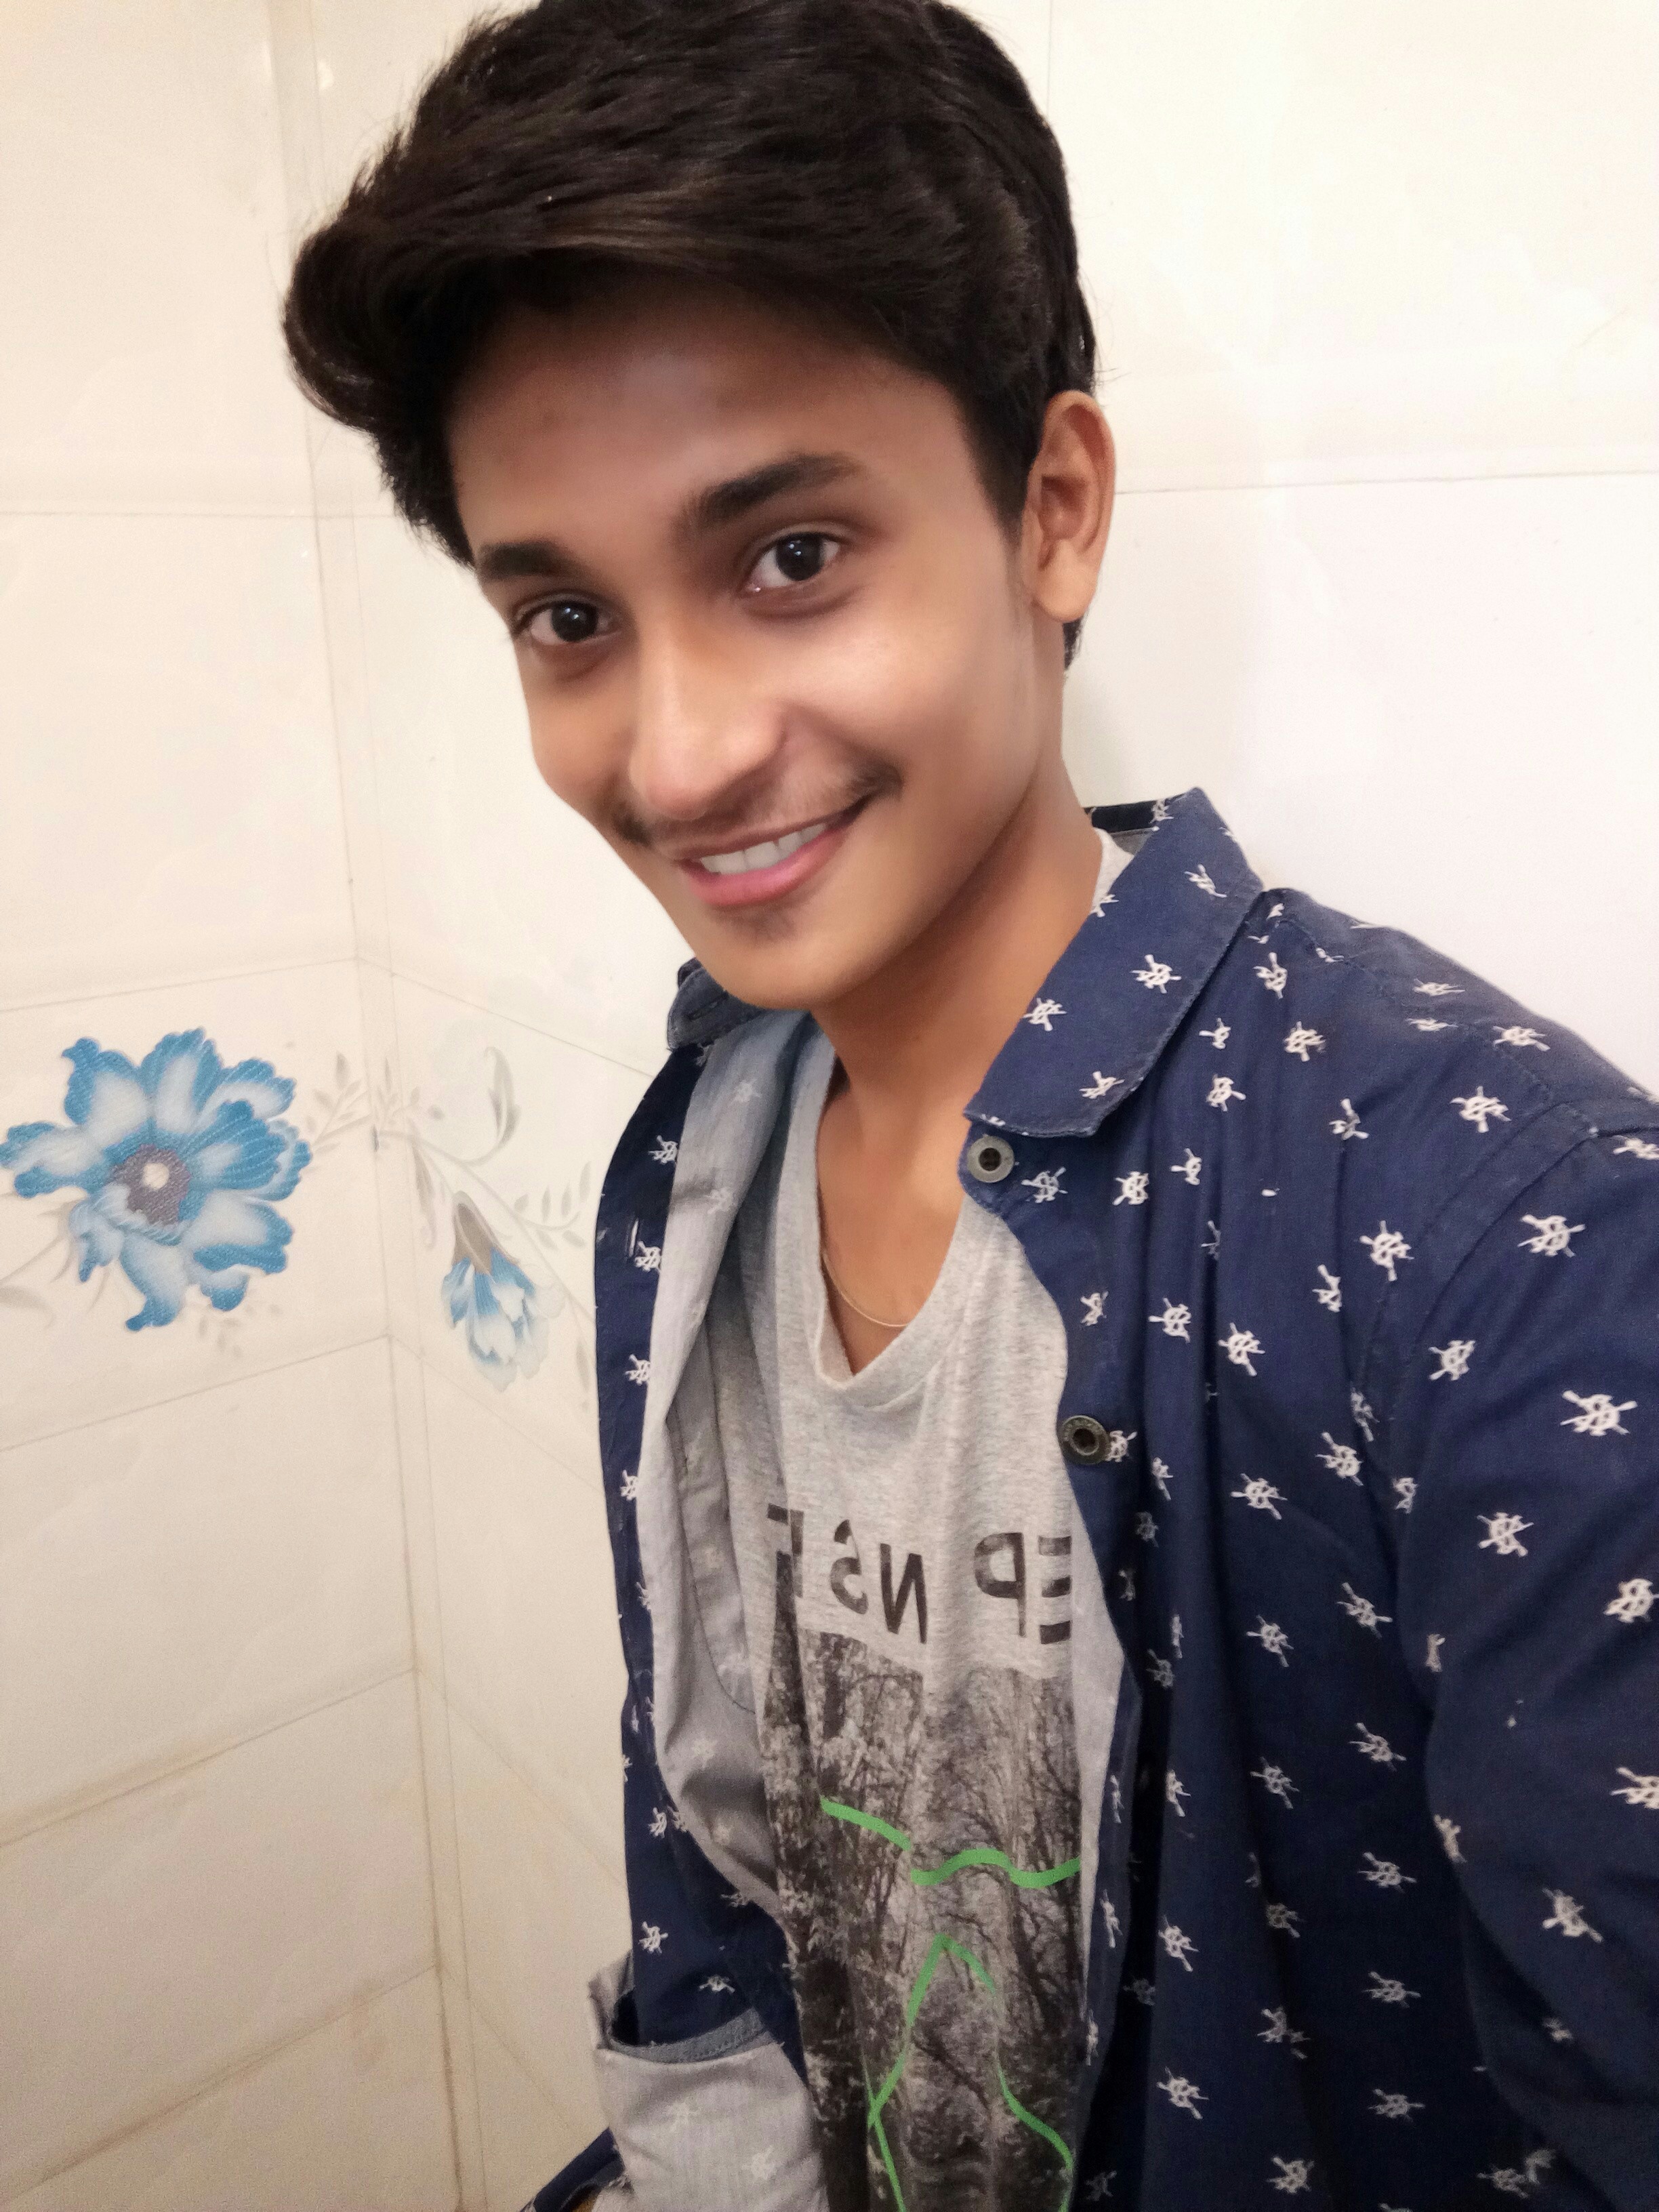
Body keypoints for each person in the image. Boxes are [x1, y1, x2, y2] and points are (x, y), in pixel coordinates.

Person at [281, 2, 1659, 2205]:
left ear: (1054, 508)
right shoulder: (697, 1169)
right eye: (568, 616)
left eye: (791, 557)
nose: (679, 754)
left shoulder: (1510, 1245)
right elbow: (729, 1906)